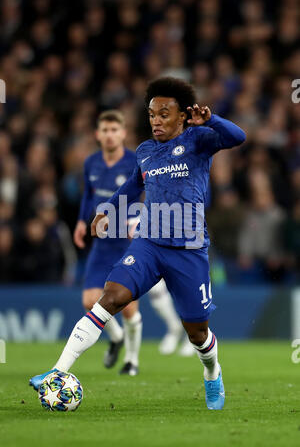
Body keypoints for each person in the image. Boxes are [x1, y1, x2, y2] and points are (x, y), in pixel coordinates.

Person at [30, 77, 246, 410]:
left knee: (197, 334)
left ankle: (212, 372)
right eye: (151, 114)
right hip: (148, 243)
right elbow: (132, 188)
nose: (156, 121)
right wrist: (107, 212)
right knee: (109, 298)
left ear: (182, 115)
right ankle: (57, 372)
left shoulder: (200, 139)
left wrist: (212, 119)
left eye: (164, 114)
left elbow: (238, 137)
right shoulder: (145, 152)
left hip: (189, 248)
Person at [72, 110, 190, 375]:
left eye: (115, 130)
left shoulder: (134, 160)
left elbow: (153, 189)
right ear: (98, 134)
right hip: (103, 243)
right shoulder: (91, 163)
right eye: (105, 130)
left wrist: (139, 218)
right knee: (90, 301)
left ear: (123, 134)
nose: (110, 135)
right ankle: (116, 338)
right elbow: (88, 196)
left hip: (127, 242)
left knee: (127, 307)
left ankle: (132, 361)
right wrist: (82, 221)